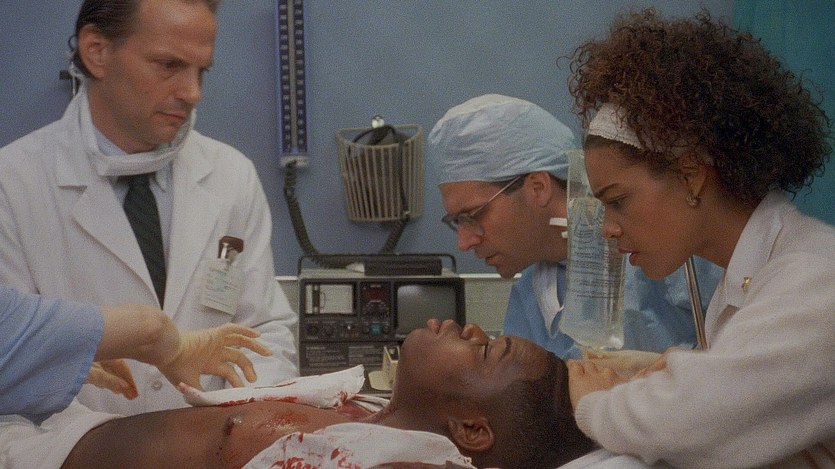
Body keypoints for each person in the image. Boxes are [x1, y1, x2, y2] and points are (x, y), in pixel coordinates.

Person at [0, 0, 298, 418]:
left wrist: (235, 431)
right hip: (73, 448)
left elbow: (264, 332)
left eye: (201, 71)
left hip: (216, 441)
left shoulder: (232, 175)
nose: (192, 93)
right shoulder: (13, 184)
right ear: (97, 52)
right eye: (169, 65)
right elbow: (14, 373)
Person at [566, 9, 835, 468]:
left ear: (690, 173)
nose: (608, 228)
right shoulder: (749, 282)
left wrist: (593, 403)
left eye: (618, 200)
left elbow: (689, 424)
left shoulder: (814, 280)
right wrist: (670, 372)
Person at [54, 320, 644, 469]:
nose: (471, 328)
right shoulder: (364, 414)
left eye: (486, 350)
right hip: (54, 434)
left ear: (470, 429)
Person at [428, 94, 723, 358]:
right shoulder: (529, 297)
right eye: (457, 222)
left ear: (539, 187)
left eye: (473, 215)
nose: (464, 242)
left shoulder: (664, 248)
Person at [1, 284, 270, 422]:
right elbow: (151, 330)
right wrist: (179, 349)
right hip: (70, 438)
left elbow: (266, 325)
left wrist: (55, 365)